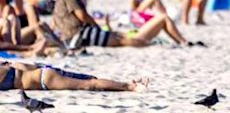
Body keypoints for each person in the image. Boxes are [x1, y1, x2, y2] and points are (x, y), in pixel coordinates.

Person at [53, 0, 187, 48]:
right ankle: (180, 42)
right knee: (130, 41)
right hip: (82, 35)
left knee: (126, 38)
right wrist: (96, 26)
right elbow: (82, 16)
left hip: (80, 35)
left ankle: (181, 42)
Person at [0, 61, 148, 91]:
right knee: (90, 80)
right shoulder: (6, 67)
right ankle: (129, 82)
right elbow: (13, 66)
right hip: (43, 71)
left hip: (45, 79)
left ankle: (130, 86)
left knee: (89, 85)